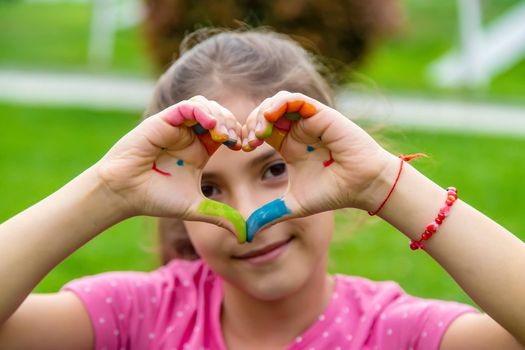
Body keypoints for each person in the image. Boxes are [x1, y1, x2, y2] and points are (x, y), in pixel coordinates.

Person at [0, 29, 524, 350]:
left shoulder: (393, 333)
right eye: (209, 186)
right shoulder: (135, 316)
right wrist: (107, 189)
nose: (250, 219)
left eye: (274, 170)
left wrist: (384, 182)